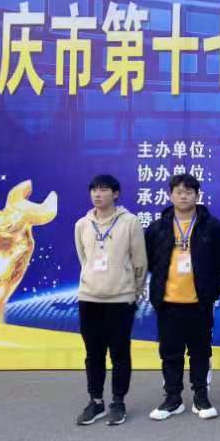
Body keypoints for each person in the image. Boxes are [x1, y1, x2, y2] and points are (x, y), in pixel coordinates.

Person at [144, 174, 220, 421]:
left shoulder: (212, 226)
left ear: (197, 195)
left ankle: (201, 397)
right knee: (170, 353)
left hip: (199, 302)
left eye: (188, 192)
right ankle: (173, 399)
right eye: (178, 192)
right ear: (170, 195)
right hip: (168, 301)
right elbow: (150, 259)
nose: (183, 196)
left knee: (200, 352)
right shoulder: (158, 227)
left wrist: (206, 280)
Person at [74, 174, 147, 426]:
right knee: (93, 354)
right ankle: (96, 401)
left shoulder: (130, 222)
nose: (97, 194)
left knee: (119, 353)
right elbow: (84, 258)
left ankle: (118, 402)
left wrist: (134, 291)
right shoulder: (82, 224)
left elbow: (139, 261)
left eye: (104, 190)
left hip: (121, 299)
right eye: (94, 189)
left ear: (115, 193)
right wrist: (91, 281)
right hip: (89, 298)